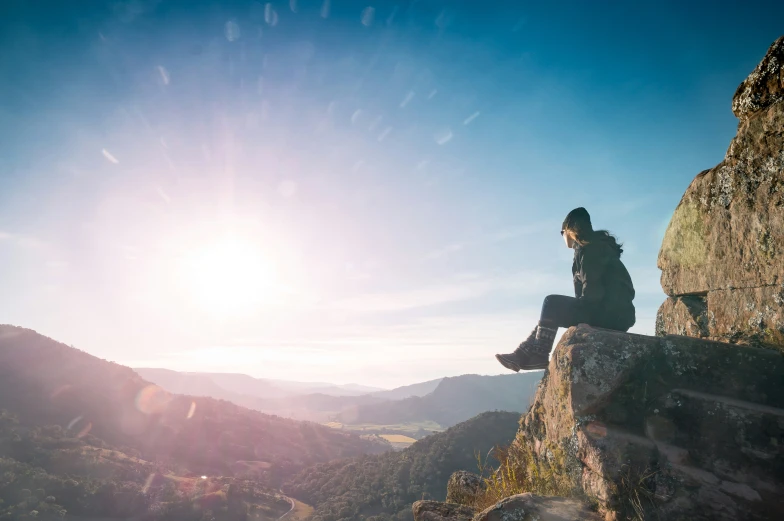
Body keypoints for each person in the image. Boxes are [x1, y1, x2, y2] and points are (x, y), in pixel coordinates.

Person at [495, 207, 635, 372]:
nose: (562, 237)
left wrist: (579, 310)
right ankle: (521, 354)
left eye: (562, 232)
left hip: (610, 314)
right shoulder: (593, 248)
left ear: (569, 230)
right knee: (551, 310)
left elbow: (593, 292)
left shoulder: (590, 250)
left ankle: (539, 355)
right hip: (615, 314)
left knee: (551, 303)